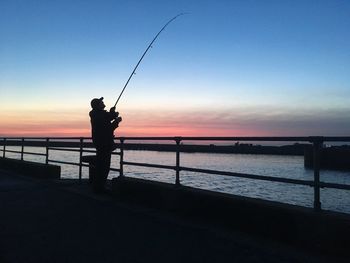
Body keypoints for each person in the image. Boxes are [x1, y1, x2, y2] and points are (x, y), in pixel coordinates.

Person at [89, 97, 122, 193]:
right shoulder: (98, 115)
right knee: (104, 166)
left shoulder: (96, 114)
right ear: (97, 105)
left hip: (101, 143)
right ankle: (99, 188)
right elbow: (108, 127)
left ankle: (98, 186)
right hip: (104, 143)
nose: (103, 103)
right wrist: (116, 121)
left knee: (102, 166)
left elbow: (108, 119)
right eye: (101, 102)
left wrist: (113, 115)